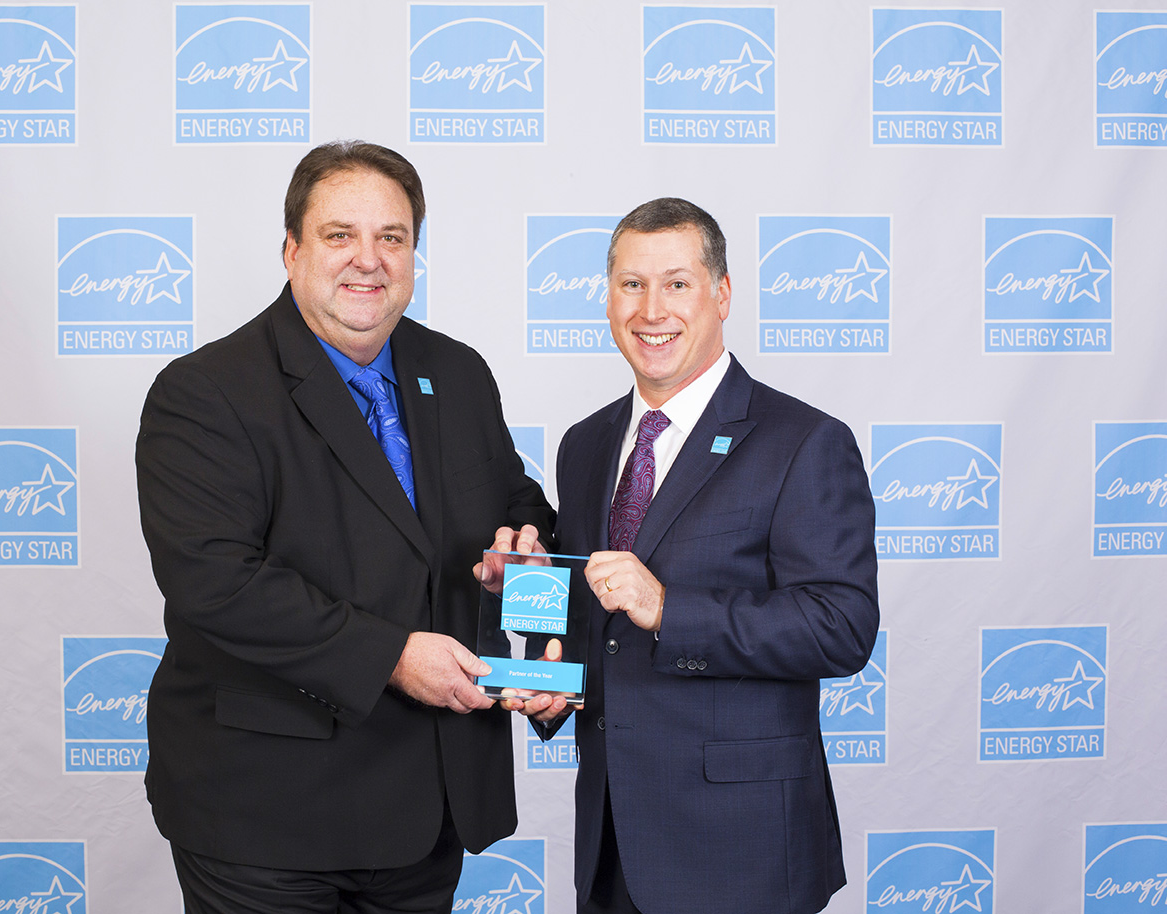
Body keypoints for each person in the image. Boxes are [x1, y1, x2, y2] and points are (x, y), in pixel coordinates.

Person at [134, 140, 554, 913]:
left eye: (392, 237)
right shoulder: (204, 393)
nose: (369, 260)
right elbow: (214, 582)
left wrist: (522, 558)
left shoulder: (457, 372)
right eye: (340, 235)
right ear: (292, 249)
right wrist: (392, 656)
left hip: (427, 805)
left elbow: (516, 507)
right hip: (267, 818)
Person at [513, 197, 879, 913]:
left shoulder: (802, 441)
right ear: (609, 297)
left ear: (722, 293)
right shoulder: (584, 445)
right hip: (613, 842)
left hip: (740, 851)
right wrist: (557, 682)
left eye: (677, 283)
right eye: (631, 284)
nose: (652, 309)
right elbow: (599, 626)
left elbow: (842, 626)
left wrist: (669, 610)